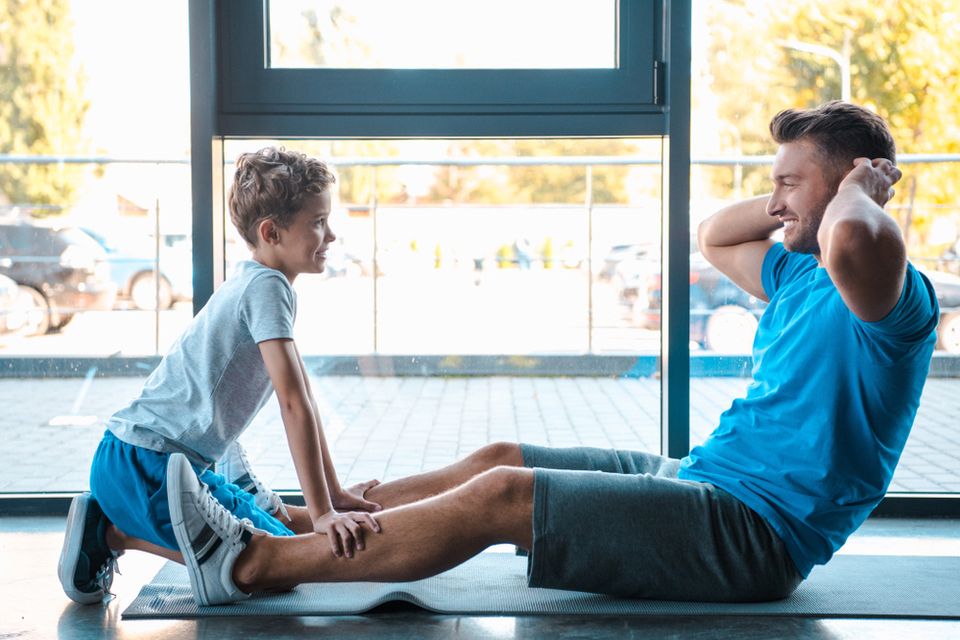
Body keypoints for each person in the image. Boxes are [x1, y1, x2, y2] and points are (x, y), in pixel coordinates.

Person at [69, 101, 940, 607]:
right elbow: (714, 235)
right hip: (700, 474)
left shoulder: (887, 295)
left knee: (500, 497)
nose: (776, 200)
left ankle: (254, 561)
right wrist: (797, 191)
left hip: (756, 535)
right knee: (500, 456)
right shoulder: (796, 277)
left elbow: (857, 235)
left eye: (792, 181)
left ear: (859, 182)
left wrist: (857, 186)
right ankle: (296, 522)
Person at [58, 147, 383, 605]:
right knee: (282, 568)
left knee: (285, 551)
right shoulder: (267, 288)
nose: (330, 234)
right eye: (317, 222)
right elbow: (293, 404)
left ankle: (127, 519)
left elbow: (302, 397)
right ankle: (110, 533)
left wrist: (333, 496)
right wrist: (324, 512)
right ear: (271, 232)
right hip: (148, 464)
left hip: (155, 461)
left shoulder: (259, 282)